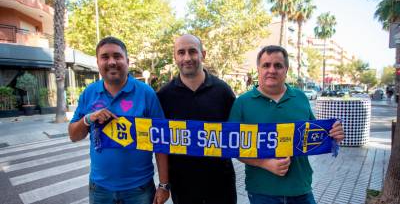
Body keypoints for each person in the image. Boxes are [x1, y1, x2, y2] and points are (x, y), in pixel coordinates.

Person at [229, 45, 344, 204]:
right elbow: (232, 147)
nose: (272, 70)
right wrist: (265, 163)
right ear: (258, 69)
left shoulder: (301, 98)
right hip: (262, 191)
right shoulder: (242, 103)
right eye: (266, 65)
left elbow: (314, 135)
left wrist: (333, 135)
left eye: (278, 65)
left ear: (286, 69)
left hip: (301, 188)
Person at [68, 36, 169, 204]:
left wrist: (164, 185)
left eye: (117, 56)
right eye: (105, 57)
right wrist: (88, 118)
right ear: (98, 62)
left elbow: (161, 142)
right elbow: (73, 135)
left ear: (127, 61)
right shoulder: (89, 93)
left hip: (139, 190)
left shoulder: (146, 93)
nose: (112, 62)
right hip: (100, 190)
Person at [157, 34, 237, 204]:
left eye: (192, 51)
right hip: (183, 187)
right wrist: (164, 184)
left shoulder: (223, 91)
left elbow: (239, 134)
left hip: (221, 184)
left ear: (203, 54)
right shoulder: (163, 96)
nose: (187, 58)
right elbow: (159, 143)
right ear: (175, 57)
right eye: (181, 52)